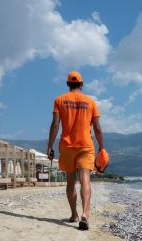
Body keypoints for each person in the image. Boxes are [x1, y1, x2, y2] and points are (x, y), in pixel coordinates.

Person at [47, 70, 104, 230]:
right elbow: (98, 128)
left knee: (71, 181)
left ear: (67, 84)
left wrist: (50, 145)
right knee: (85, 178)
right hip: (86, 145)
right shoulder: (91, 102)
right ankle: (85, 214)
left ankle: (74, 214)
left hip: (67, 145)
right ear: (81, 84)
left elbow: (55, 125)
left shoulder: (59, 100)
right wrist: (102, 147)